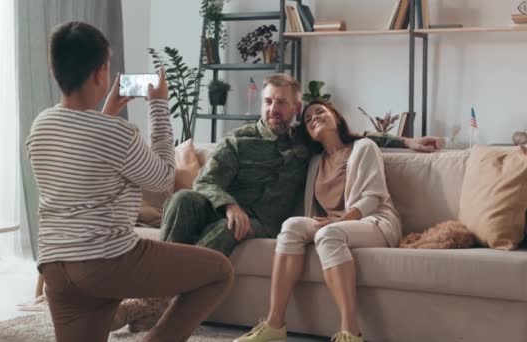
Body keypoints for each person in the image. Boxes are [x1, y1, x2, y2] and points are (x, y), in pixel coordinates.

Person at [118, 73, 441, 330]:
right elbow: (206, 181)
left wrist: (406, 141)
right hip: (227, 208)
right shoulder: (239, 140)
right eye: (269, 102)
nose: (274, 109)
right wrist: (230, 205)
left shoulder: (305, 140)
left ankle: (158, 302)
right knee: (182, 200)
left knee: (227, 229)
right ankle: (155, 294)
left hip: (263, 222)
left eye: (282, 103)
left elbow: (349, 138)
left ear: (295, 108)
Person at [26, 21, 233, 342]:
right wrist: (159, 106)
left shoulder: (42, 125)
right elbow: (165, 178)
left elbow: (84, 158)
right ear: (99, 73)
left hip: (56, 270)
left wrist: (106, 112)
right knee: (219, 271)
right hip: (107, 262)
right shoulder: (117, 134)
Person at [234, 100, 402, 342]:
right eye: (309, 119)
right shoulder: (315, 162)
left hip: (374, 220)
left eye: (320, 112)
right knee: (291, 225)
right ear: (309, 134)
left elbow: (373, 197)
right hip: (335, 225)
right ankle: (274, 324)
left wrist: (341, 221)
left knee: (328, 234)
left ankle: (350, 332)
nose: (315, 118)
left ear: (335, 116)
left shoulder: (364, 147)